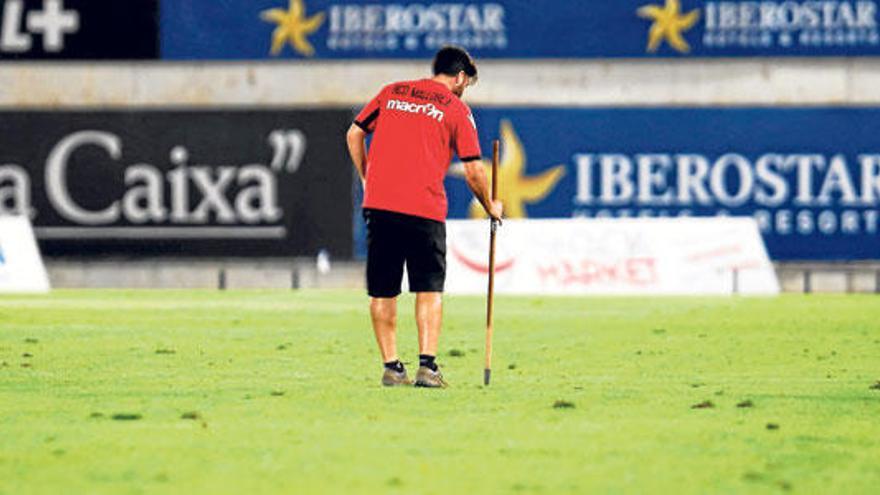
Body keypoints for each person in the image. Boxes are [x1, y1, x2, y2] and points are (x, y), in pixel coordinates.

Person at [346, 46, 503, 388]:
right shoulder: (457, 109)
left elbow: (355, 132)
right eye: (467, 83)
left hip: (381, 205)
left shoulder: (392, 92)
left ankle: (391, 367)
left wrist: (366, 177)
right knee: (428, 289)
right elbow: (474, 169)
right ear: (460, 77)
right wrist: (490, 204)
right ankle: (427, 368)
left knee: (382, 291)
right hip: (424, 208)